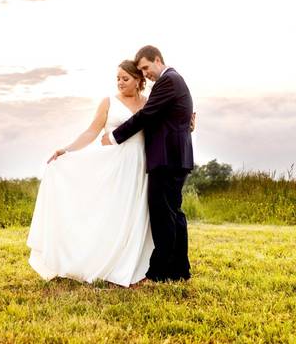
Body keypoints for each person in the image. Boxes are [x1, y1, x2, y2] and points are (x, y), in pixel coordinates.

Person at [26, 60, 154, 287]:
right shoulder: (108, 102)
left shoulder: (148, 103)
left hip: (140, 165)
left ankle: (134, 265)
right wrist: (67, 148)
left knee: (136, 213)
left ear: (138, 80)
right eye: (117, 78)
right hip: (114, 165)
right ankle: (106, 262)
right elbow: (92, 131)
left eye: (125, 78)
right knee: (112, 213)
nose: (120, 83)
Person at [101, 45, 194, 282]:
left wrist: (114, 136)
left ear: (158, 60)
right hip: (176, 157)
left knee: (164, 215)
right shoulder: (174, 80)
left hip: (166, 158)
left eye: (145, 67)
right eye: (141, 70)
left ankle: (161, 272)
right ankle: (179, 269)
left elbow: (146, 116)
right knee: (173, 213)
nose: (145, 74)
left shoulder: (168, 81)